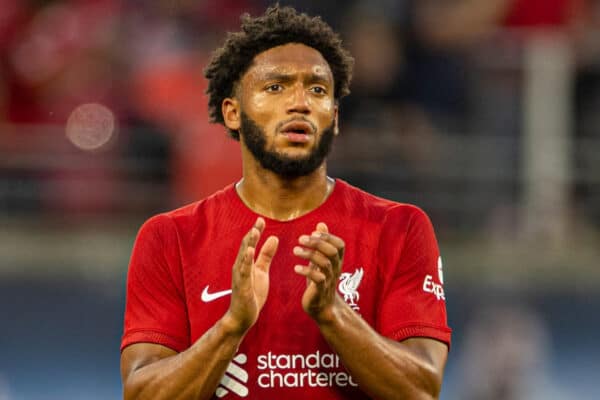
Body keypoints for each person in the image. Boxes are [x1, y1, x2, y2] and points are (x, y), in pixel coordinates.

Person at [120, 5, 451, 400]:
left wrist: (333, 314)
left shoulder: (400, 229)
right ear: (232, 113)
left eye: (317, 89)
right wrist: (231, 326)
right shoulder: (170, 238)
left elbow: (422, 389)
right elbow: (141, 394)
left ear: (336, 116)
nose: (300, 103)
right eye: (275, 87)